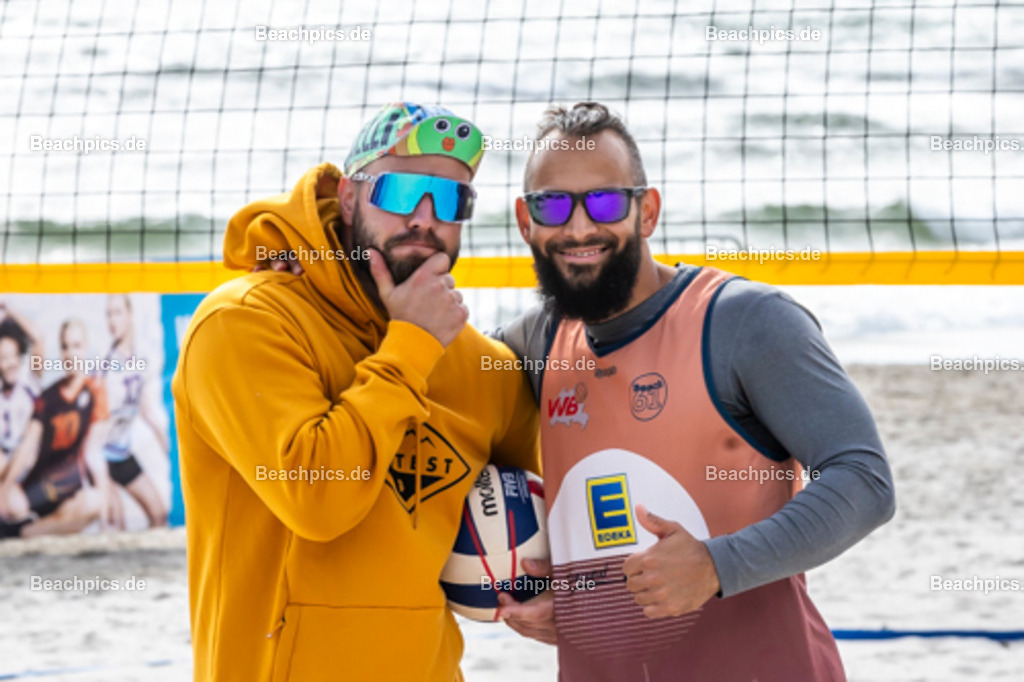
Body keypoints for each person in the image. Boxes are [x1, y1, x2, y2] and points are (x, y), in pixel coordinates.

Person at [492, 102, 896, 681]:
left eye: (604, 201)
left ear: (647, 211)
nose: (578, 227)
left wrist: (715, 564)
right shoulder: (535, 344)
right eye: (552, 204)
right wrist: (580, 600)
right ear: (525, 222)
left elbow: (864, 480)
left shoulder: (747, 322)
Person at [172, 102, 539, 682]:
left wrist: (567, 589)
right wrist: (410, 348)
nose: (425, 217)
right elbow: (318, 500)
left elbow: (567, 483)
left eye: (451, 200)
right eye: (399, 191)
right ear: (348, 197)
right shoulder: (244, 323)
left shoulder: (478, 365)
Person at [0, 319, 109, 539]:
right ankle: (32, 526)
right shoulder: (47, 396)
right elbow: (28, 443)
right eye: (65, 346)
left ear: (86, 348)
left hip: (69, 493)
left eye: (76, 346)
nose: (70, 354)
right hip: (37, 489)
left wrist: (105, 515)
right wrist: (6, 488)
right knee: (10, 502)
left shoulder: (96, 391)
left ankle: (25, 532)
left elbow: (94, 454)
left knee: (94, 502)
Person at [99, 294, 169, 528]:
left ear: (130, 316)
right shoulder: (105, 366)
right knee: (115, 522)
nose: (111, 320)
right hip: (100, 458)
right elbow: (97, 424)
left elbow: (146, 409)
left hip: (121, 455)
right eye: (108, 314)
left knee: (159, 514)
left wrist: (164, 442)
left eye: (117, 312)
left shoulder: (137, 360)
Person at [0, 303, 43, 479]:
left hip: (31, 464)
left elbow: (38, 337)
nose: (10, 363)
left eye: (13, 356)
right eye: (3, 358)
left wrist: (8, 309)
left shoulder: (30, 379)